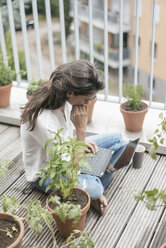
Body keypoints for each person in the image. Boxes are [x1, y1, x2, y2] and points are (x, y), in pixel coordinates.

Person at [20, 60, 126, 215]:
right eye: (86, 99)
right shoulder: (44, 120)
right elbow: (70, 169)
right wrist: (81, 131)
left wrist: (81, 142)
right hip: (47, 172)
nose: (88, 104)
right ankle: (94, 190)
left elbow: (65, 138)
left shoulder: (64, 98)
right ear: (70, 92)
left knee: (119, 140)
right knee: (96, 189)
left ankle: (90, 185)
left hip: (68, 153)